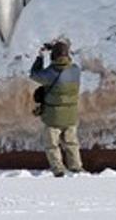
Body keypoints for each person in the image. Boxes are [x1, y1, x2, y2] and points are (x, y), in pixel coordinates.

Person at [30, 39, 83, 176]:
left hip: (53, 117)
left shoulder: (50, 73)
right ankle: (76, 167)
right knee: (72, 143)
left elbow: (34, 74)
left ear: (53, 56)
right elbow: (66, 65)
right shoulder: (75, 70)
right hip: (71, 115)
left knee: (52, 145)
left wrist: (40, 57)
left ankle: (58, 169)